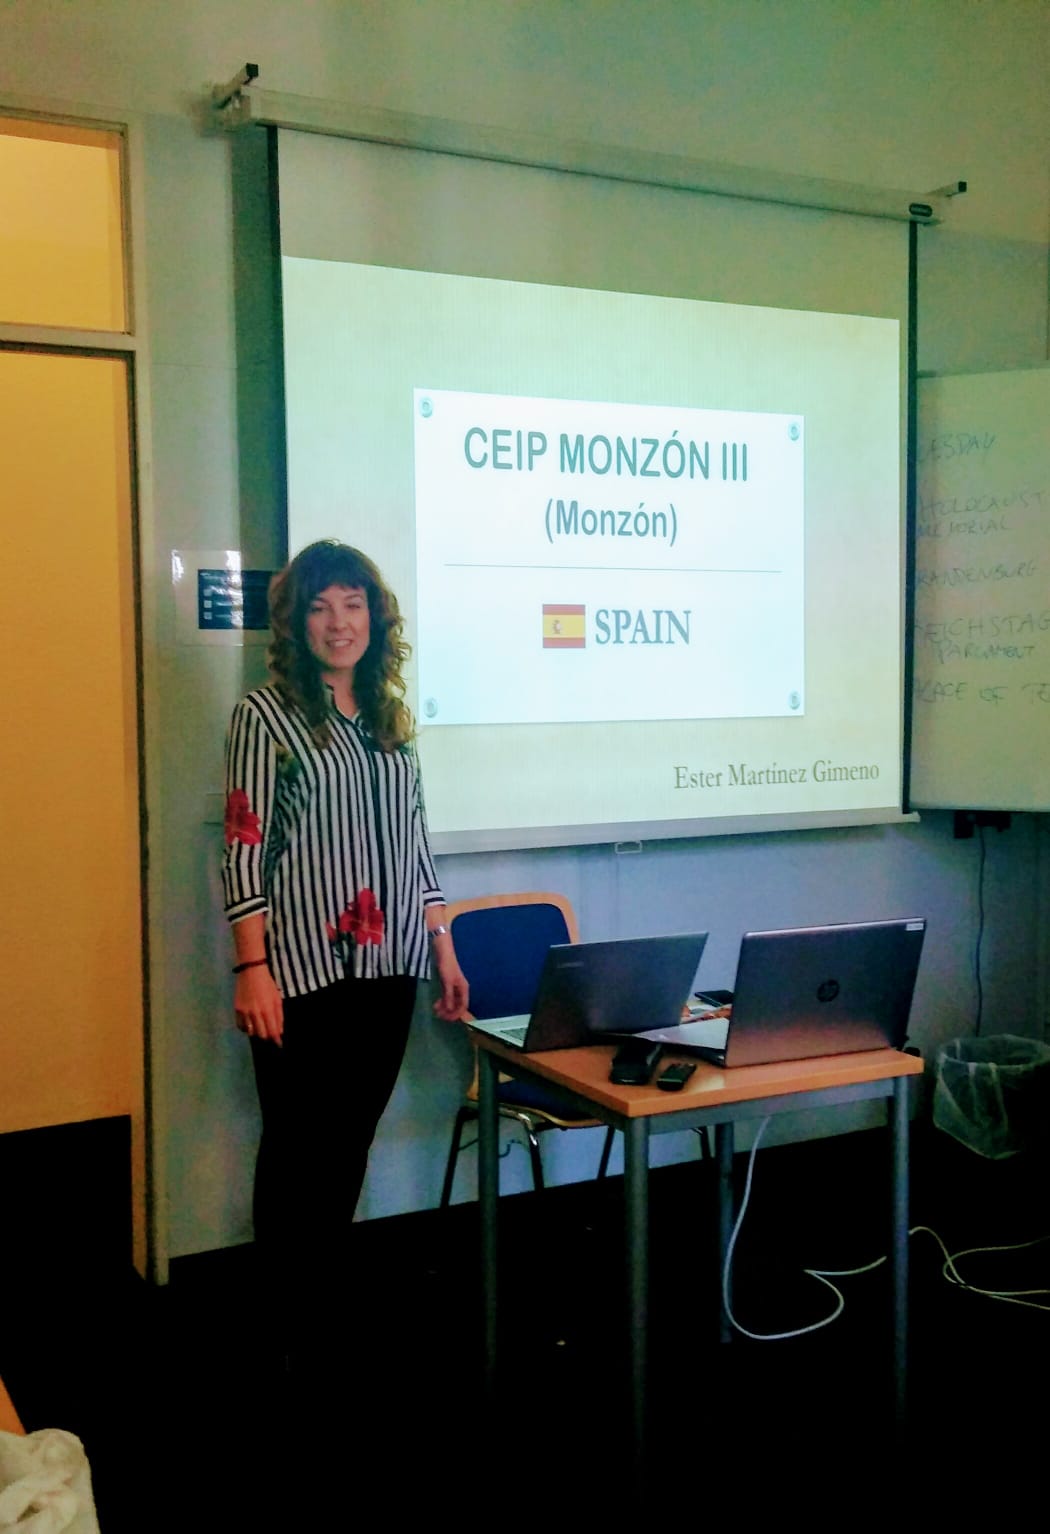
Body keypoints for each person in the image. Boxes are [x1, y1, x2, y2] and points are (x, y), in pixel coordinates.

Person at [221, 538, 468, 1364]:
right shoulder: (265, 716)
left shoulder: (392, 719)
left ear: (374, 618)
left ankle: (318, 1303)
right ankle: (280, 1319)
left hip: (389, 969)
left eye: (353, 605)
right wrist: (250, 969)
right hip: (298, 974)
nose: (339, 623)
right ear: (296, 623)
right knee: (296, 1149)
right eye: (321, 607)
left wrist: (443, 946)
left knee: (349, 1142)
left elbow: (416, 842)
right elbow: (242, 849)